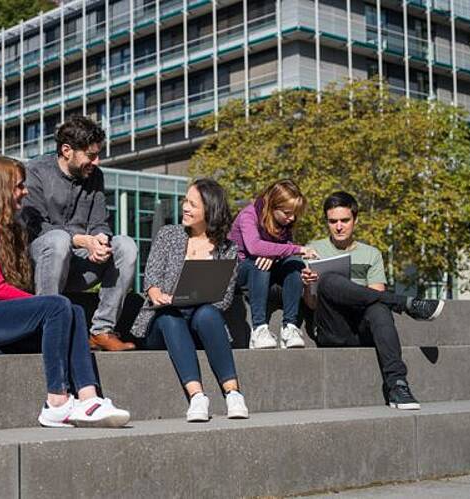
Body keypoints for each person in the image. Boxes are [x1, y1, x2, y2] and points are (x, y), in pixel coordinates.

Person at [0, 156, 130, 428]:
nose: (25, 191)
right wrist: (45, 304)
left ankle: (89, 398)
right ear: (2, 188)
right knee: (57, 306)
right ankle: (57, 401)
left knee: (74, 311)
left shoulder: (9, 229)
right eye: (19, 186)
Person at [302, 191, 445, 410]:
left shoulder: (372, 254)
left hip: (362, 329)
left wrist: (351, 292)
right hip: (332, 329)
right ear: (327, 222)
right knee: (329, 281)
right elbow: (312, 305)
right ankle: (406, 304)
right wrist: (308, 285)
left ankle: (398, 385)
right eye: (333, 221)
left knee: (380, 309)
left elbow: (377, 298)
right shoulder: (314, 250)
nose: (339, 226)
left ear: (355, 220)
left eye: (345, 220)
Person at [130, 179, 249, 422]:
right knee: (170, 317)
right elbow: (151, 279)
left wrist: (191, 298)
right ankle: (197, 397)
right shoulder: (168, 234)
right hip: (163, 322)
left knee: (207, 313)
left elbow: (224, 300)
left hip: (200, 322)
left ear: (209, 210)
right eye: (186, 201)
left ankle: (233, 394)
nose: (185, 207)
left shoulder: (227, 249)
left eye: (192, 204)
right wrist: (156, 294)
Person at [21, 116, 138, 352]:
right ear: (67, 150)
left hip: (79, 264)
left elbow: (100, 223)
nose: (97, 161)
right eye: (91, 155)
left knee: (126, 245)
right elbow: (35, 227)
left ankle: (102, 331)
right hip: (41, 263)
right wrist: (81, 240)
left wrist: (101, 240)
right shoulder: (34, 171)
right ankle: (48, 329)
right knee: (58, 240)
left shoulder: (95, 176)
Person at [228, 179, 316, 349]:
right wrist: (294, 249)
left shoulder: (284, 223)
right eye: (287, 213)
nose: (291, 218)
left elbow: (285, 247)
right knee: (259, 263)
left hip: (269, 268)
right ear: (272, 205)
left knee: (295, 264)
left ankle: (290, 328)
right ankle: (259, 329)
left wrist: (273, 254)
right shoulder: (249, 215)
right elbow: (254, 247)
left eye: (295, 214)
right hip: (241, 269)